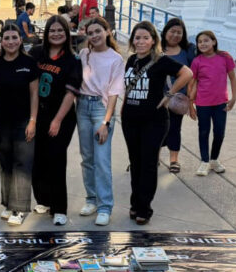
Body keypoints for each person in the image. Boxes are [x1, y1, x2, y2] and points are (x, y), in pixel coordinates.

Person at [120, 21, 192, 225]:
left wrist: (169, 94)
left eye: (145, 37)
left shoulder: (161, 60)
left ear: (153, 40)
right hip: (130, 119)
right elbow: (128, 88)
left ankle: (144, 208)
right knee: (135, 164)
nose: (140, 41)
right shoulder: (132, 60)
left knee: (148, 164)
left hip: (154, 121)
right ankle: (135, 204)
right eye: (137, 37)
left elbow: (187, 73)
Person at [31, 15, 81, 227]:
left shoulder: (72, 59)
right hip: (37, 113)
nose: (56, 34)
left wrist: (58, 120)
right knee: (37, 159)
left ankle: (60, 208)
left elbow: (70, 94)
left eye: (60, 30)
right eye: (52, 30)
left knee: (56, 160)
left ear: (67, 33)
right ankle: (44, 200)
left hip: (61, 116)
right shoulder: (36, 53)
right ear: (47, 33)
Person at [75, 17, 123, 226]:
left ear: (107, 32)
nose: (94, 36)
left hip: (101, 110)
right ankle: (91, 199)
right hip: (82, 107)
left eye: (98, 31)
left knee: (102, 160)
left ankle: (105, 206)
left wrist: (106, 121)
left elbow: (114, 93)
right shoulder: (84, 54)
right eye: (90, 33)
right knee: (87, 158)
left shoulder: (116, 59)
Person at [0, 23, 39, 226]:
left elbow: (34, 94)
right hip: (1, 122)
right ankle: (9, 204)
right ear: (1, 41)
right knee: (5, 163)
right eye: (6, 38)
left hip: (23, 122)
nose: (11, 41)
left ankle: (19, 209)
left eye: (14, 37)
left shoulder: (29, 63)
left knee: (22, 164)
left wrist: (33, 120)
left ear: (21, 40)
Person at [189, 30, 236, 176]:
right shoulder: (197, 61)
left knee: (219, 133)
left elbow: (233, 78)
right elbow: (192, 82)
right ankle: (204, 161)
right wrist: (191, 104)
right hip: (203, 103)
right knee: (203, 132)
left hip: (220, 103)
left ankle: (214, 159)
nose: (203, 44)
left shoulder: (225, 57)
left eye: (206, 40)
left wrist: (234, 97)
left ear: (214, 42)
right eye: (200, 41)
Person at [160, 17, 196, 174]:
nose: (175, 35)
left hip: (178, 99)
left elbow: (194, 74)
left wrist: (191, 99)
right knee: (156, 129)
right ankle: (153, 157)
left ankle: (174, 160)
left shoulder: (188, 50)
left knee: (174, 128)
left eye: (179, 32)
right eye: (172, 31)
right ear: (165, 32)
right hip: (157, 98)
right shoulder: (156, 48)